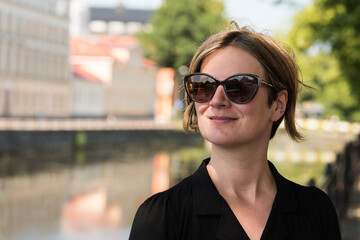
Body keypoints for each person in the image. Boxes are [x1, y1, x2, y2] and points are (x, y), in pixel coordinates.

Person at [129, 22, 341, 240]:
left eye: (239, 86)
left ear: (278, 104)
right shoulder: (162, 216)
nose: (217, 100)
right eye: (204, 86)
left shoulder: (315, 211)